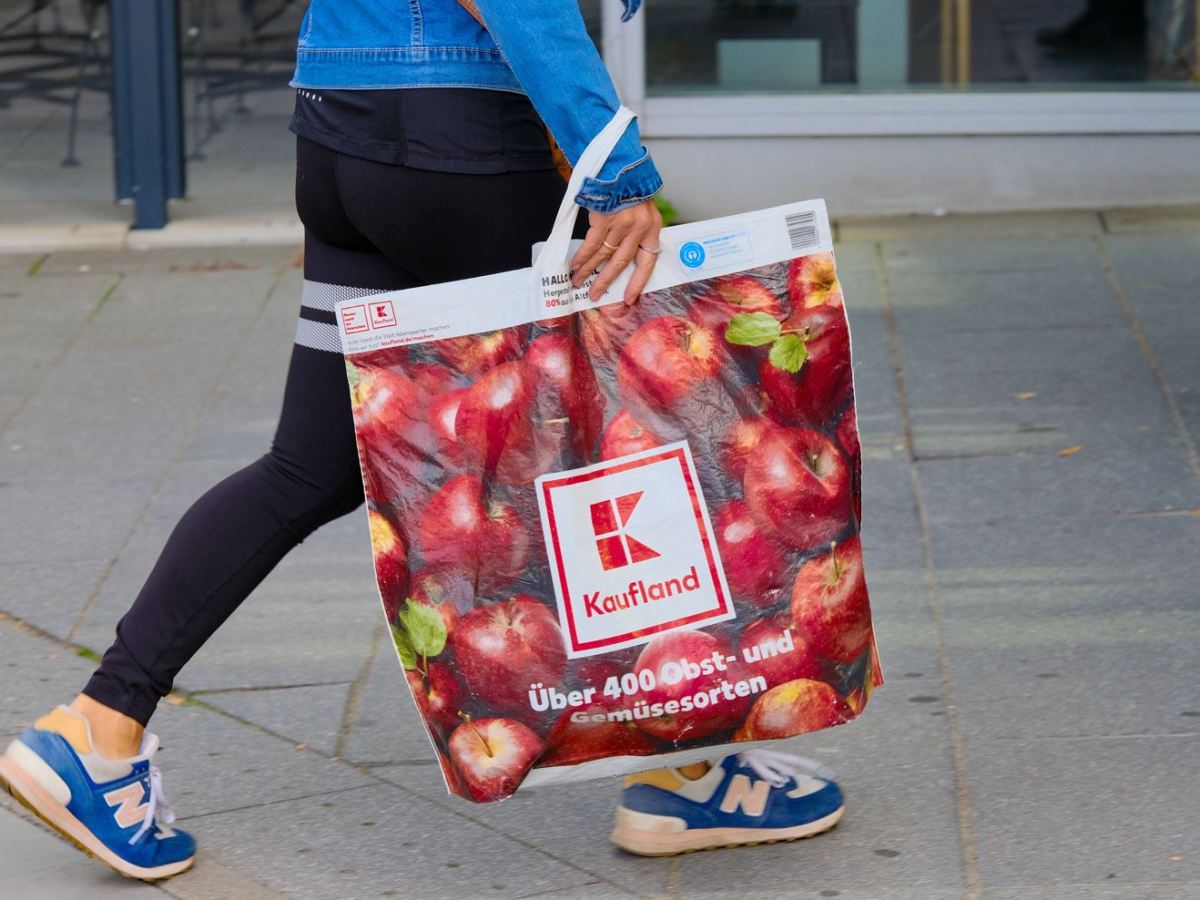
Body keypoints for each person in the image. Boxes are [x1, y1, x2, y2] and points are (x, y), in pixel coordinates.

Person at [0, 0, 843, 880]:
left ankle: (96, 731)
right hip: (459, 140)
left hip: (343, 135)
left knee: (309, 465)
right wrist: (615, 167)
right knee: (600, 460)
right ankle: (694, 773)